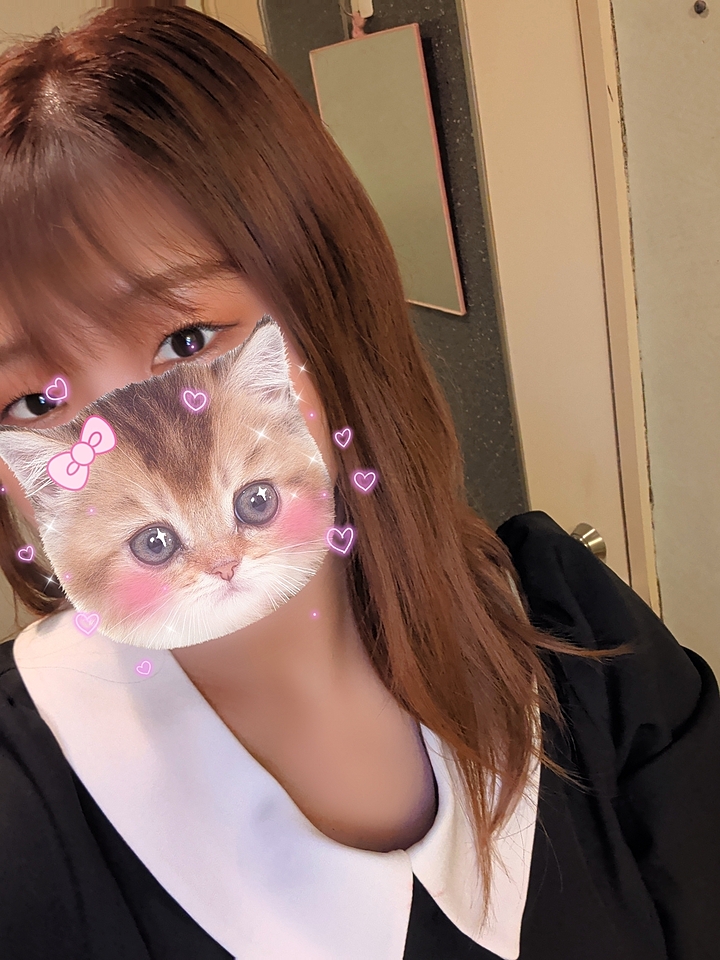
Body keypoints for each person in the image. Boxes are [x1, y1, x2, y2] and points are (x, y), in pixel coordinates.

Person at [0, 7, 717, 959]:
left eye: (185, 340)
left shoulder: (571, 630)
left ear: (326, 313)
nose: (123, 451)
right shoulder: (25, 817)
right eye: (30, 403)